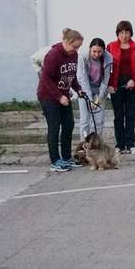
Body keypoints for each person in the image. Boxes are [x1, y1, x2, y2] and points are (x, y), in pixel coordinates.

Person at [36, 28, 85, 172]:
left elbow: (71, 75)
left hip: (64, 96)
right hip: (48, 97)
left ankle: (66, 157)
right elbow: (45, 79)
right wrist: (59, 96)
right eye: (74, 46)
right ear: (66, 42)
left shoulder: (73, 55)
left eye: (78, 47)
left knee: (69, 125)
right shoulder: (53, 55)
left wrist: (78, 88)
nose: (76, 50)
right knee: (54, 127)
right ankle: (55, 161)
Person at [107, 20, 135, 155]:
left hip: (131, 84)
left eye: (127, 32)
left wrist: (133, 80)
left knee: (130, 115)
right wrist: (110, 84)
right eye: (121, 32)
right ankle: (119, 145)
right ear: (118, 33)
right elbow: (107, 67)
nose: (124, 36)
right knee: (118, 116)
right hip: (116, 85)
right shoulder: (111, 46)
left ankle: (130, 144)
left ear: (131, 33)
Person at [76, 38, 113, 140]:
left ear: (103, 51)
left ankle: (96, 144)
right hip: (84, 90)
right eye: (94, 51)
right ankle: (83, 144)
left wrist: (97, 100)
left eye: (99, 52)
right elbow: (83, 80)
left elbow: (105, 81)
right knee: (85, 119)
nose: (96, 54)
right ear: (90, 49)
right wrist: (90, 100)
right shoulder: (83, 57)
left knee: (99, 120)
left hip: (99, 90)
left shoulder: (108, 57)